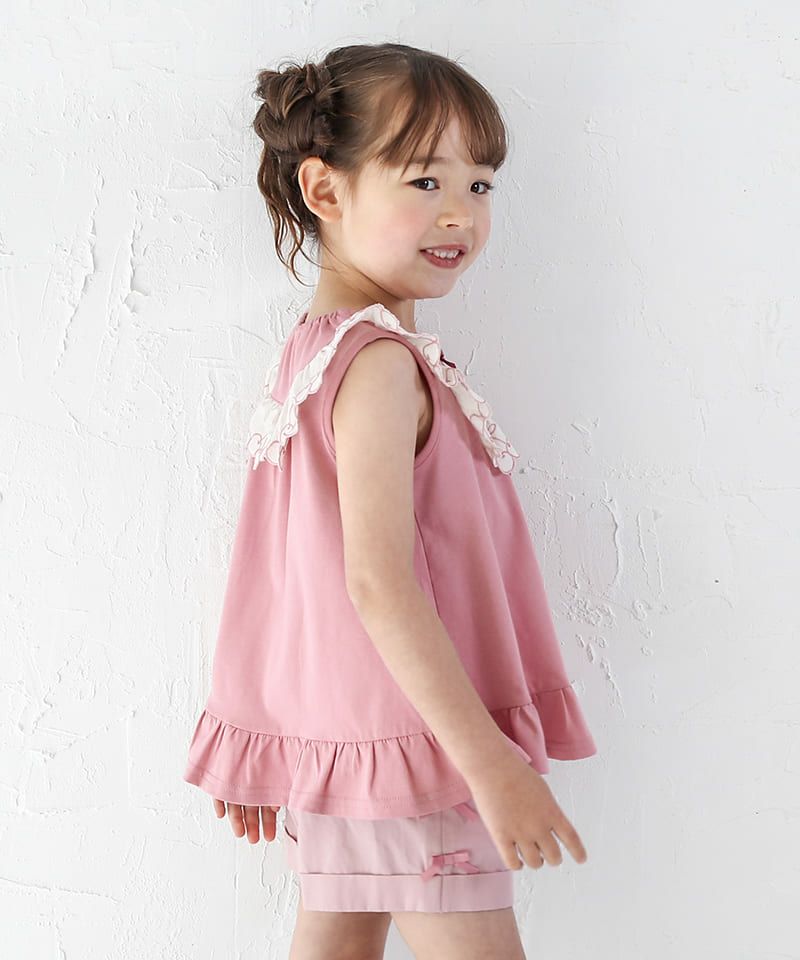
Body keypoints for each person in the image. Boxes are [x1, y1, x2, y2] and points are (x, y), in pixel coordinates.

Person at [183, 41, 598, 960]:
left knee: (335, 943)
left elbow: (283, 579)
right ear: (324, 191)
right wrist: (491, 767)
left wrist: (260, 729)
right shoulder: (375, 365)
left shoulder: (316, 352)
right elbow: (373, 582)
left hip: (356, 750)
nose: (459, 212)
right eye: (423, 180)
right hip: (419, 756)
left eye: (480, 184)